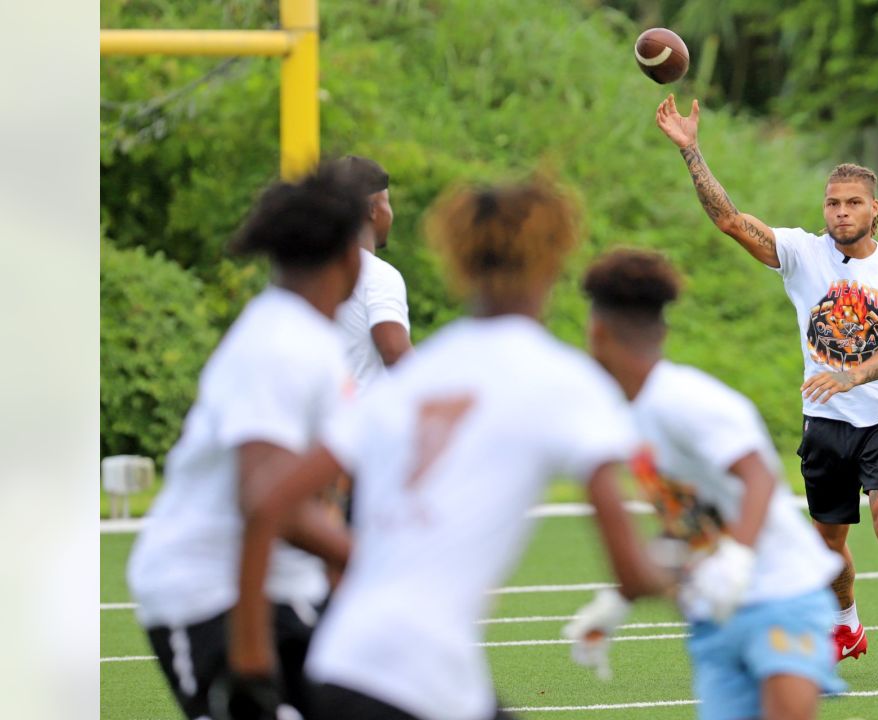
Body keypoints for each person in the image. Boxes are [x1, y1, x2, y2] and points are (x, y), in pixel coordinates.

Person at [224, 177, 672, 720]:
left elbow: (268, 502)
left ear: (456, 264)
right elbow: (631, 569)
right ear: (552, 264)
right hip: (418, 676)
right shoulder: (564, 381)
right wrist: (706, 575)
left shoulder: (418, 375)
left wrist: (250, 661)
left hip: (343, 660)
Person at [655, 94, 878, 687]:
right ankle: (846, 626)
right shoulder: (801, 254)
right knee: (828, 543)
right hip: (824, 422)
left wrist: (852, 376)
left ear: (874, 210)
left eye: (852, 203)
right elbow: (731, 220)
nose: (840, 212)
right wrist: (692, 152)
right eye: (833, 203)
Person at [125, 162, 367, 719]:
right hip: (209, 594)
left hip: (285, 591)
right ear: (351, 256)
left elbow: (305, 499)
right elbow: (264, 496)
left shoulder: (307, 337)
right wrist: (370, 562)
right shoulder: (280, 343)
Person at [570, 248, 846, 720]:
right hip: (714, 616)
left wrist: (736, 560)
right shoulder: (627, 418)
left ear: (596, 333)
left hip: (781, 596)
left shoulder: (684, 399)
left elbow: (758, 475)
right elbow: (689, 522)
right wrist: (619, 602)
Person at [334, 155, 412, 390]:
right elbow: (394, 352)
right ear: (373, 210)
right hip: (360, 420)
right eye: (387, 202)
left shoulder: (310, 274)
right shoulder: (377, 275)